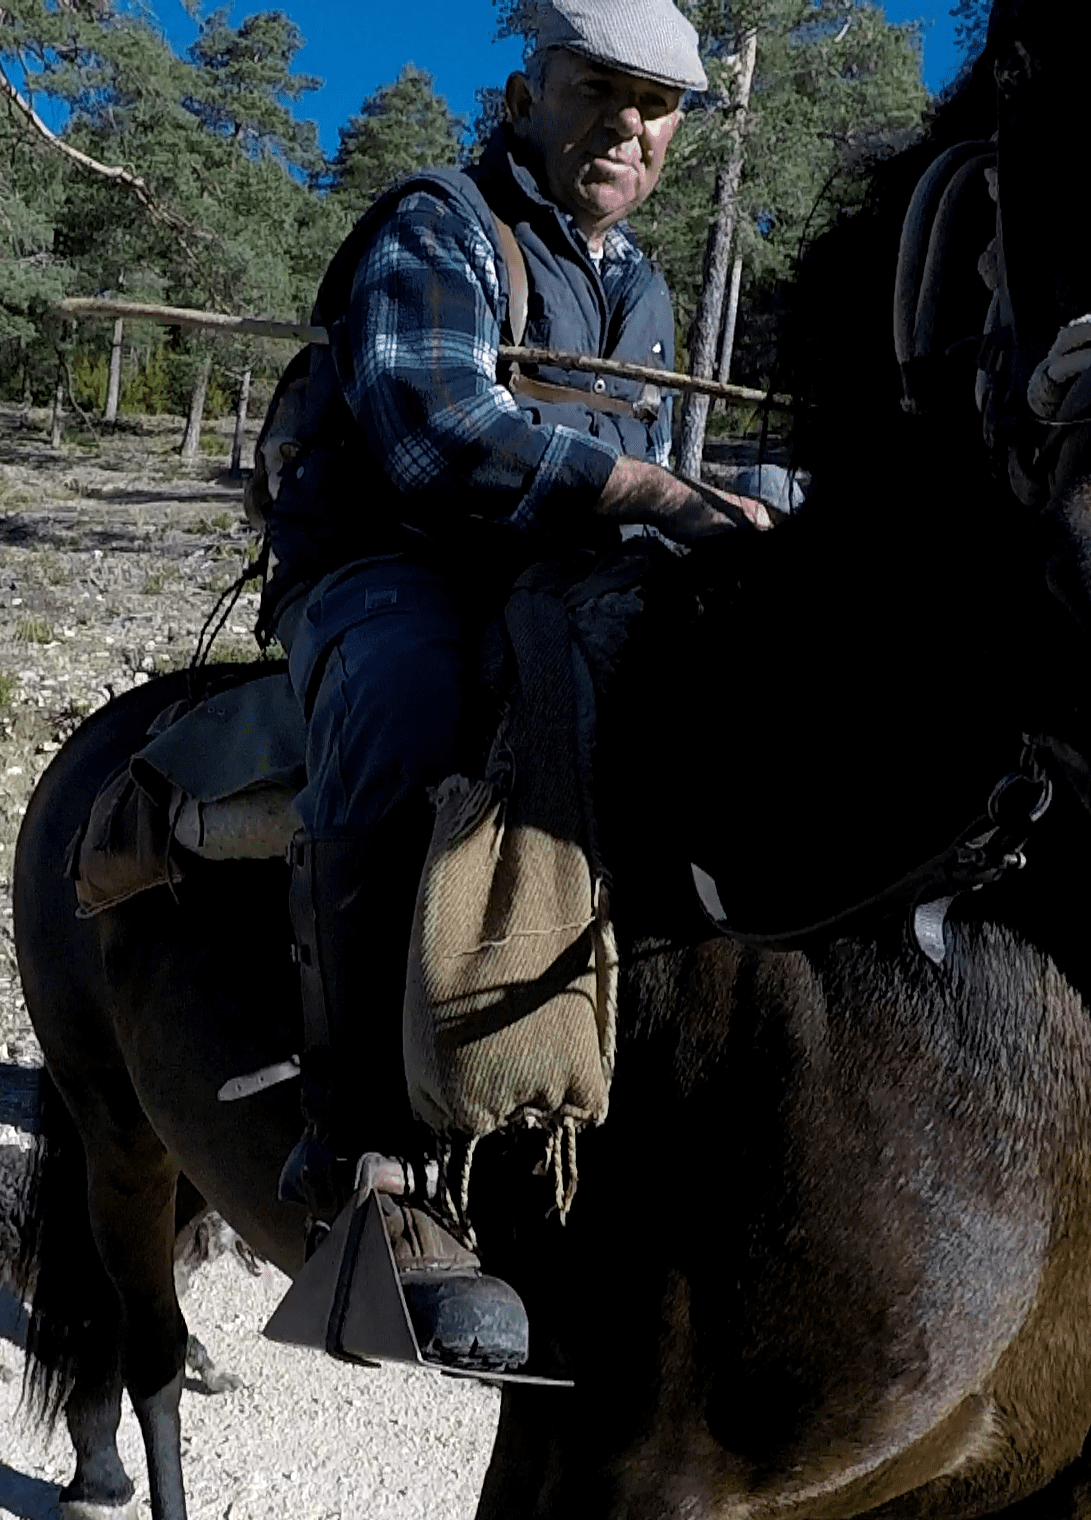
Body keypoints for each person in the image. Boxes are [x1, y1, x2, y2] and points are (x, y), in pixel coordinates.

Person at [256, 0, 771, 1374]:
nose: (628, 124)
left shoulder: (641, 287)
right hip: (390, 566)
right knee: (411, 699)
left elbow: (658, 471)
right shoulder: (439, 224)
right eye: (599, 87)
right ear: (528, 89)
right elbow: (432, 434)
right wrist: (654, 491)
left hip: (560, 577)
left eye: (657, 106)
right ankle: (367, 1154)